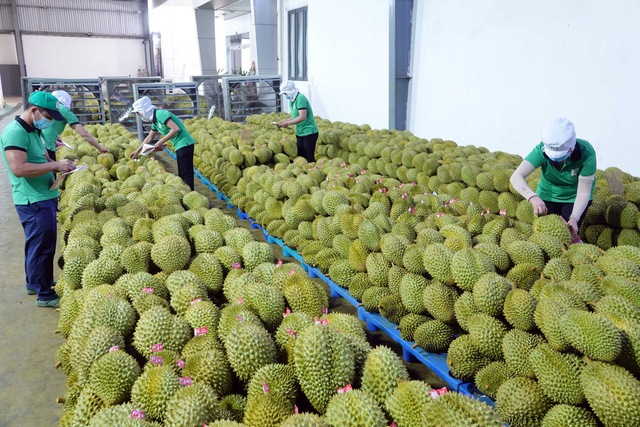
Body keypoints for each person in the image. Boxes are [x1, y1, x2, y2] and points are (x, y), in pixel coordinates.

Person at [1, 91, 76, 307]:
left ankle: (34, 282)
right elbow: (18, 168)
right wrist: (54, 165)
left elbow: (41, 155)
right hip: (32, 199)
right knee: (43, 246)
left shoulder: (33, 131)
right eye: (48, 117)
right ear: (34, 111)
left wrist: (61, 164)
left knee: (36, 244)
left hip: (43, 194)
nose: (49, 122)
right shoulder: (15, 133)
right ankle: (45, 295)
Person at [510, 117, 596, 241]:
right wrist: (532, 197)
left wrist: (574, 218)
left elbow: (584, 192)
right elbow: (516, 177)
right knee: (545, 237)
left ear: (571, 147)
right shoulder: (541, 150)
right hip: (547, 194)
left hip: (574, 197)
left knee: (567, 234)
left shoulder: (586, 153)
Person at [129, 96, 195, 190]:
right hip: (179, 145)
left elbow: (175, 129)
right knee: (182, 172)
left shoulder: (161, 114)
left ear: (143, 110)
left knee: (185, 174)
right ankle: (187, 191)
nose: (139, 115)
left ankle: (189, 192)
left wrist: (160, 141)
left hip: (185, 144)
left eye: (138, 113)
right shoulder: (155, 121)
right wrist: (137, 151)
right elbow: (149, 137)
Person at [41, 90, 109, 160]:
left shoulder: (48, 107)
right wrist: (100, 148)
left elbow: (48, 128)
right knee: (49, 168)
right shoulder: (64, 110)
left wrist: (54, 137)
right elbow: (85, 134)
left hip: (38, 143)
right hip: (47, 146)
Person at [277, 81, 319, 163]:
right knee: (301, 157)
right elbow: (294, 116)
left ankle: (311, 171)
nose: (285, 96)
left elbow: (302, 116)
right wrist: (284, 122)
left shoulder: (300, 98)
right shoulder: (292, 101)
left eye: (285, 94)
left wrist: (288, 123)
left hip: (309, 132)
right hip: (300, 132)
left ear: (290, 91)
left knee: (308, 158)